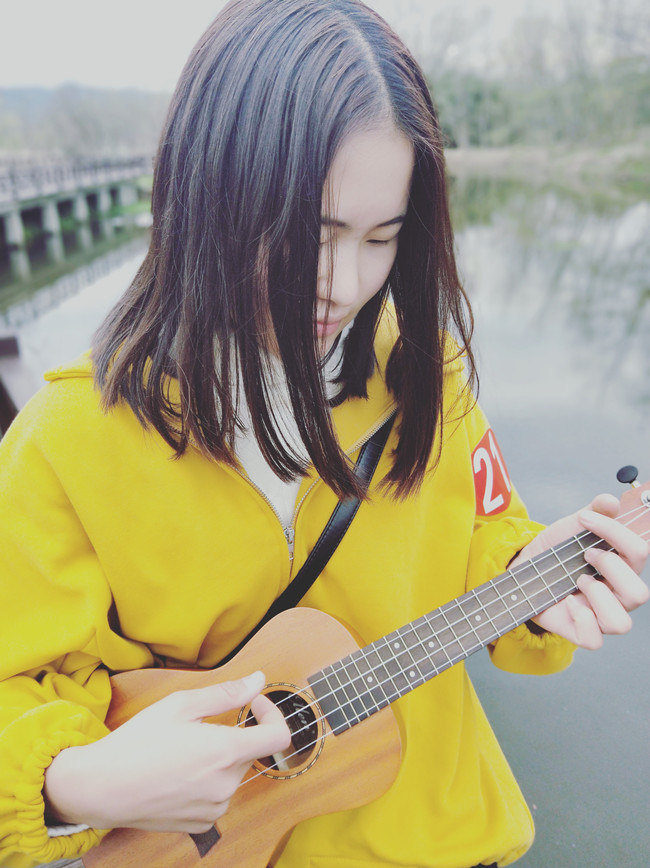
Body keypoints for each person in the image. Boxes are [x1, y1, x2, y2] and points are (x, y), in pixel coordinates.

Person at [0, 1, 647, 866]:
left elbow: (485, 533)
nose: (343, 284)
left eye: (383, 238)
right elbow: (16, 683)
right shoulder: (68, 442)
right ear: (207, 193)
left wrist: (529, 572)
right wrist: (74, 784)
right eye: (313, 233)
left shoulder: (424, 368)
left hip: (452, 844)